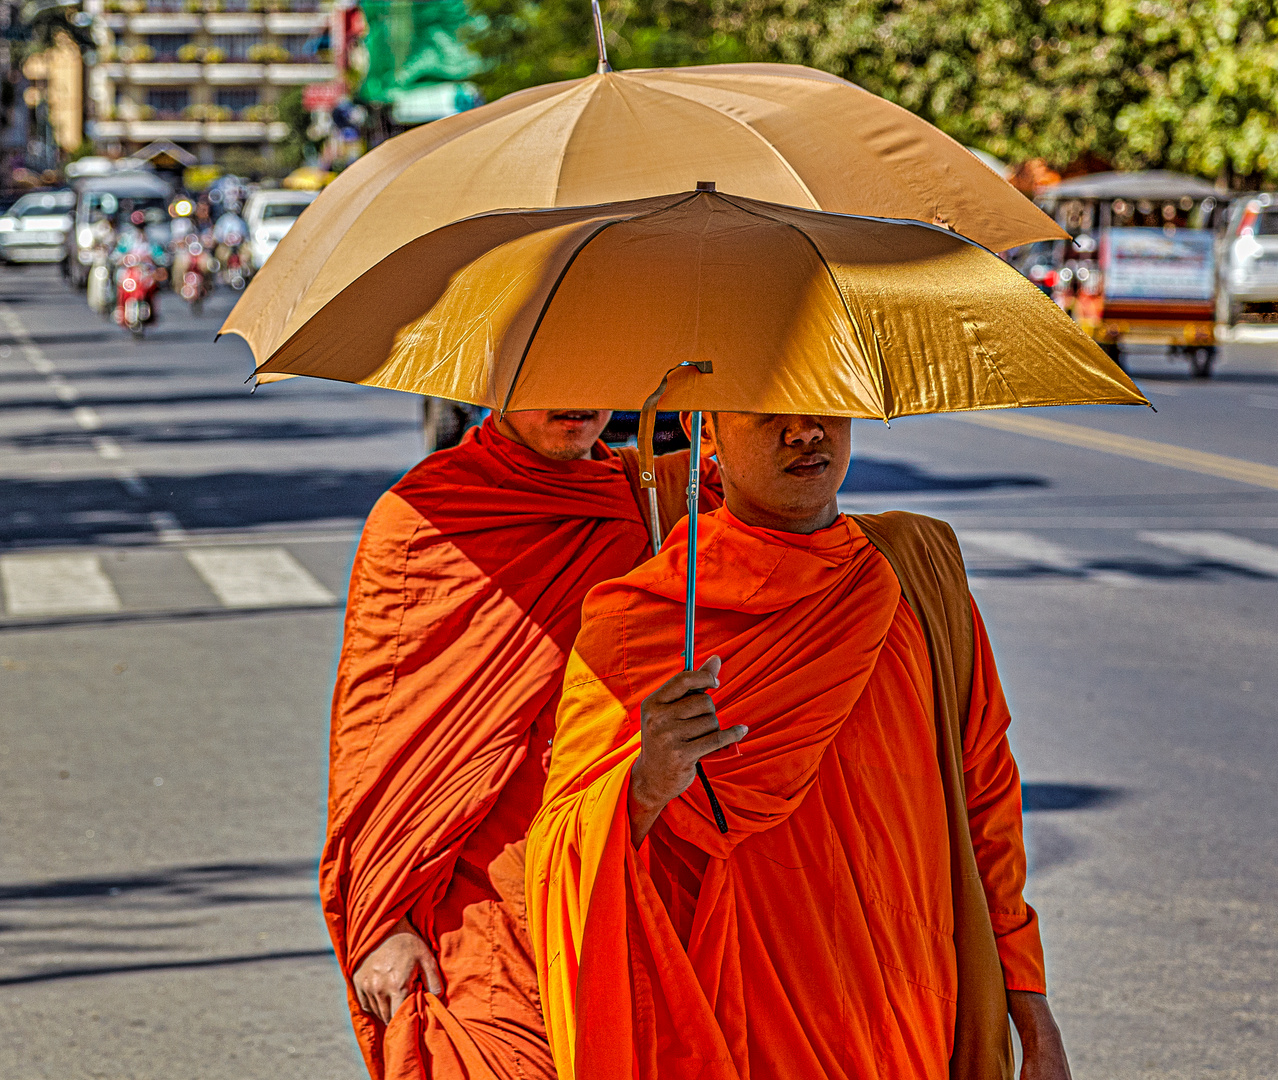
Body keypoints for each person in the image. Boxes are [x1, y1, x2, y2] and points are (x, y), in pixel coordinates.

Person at [526, 412, 1072, 1080]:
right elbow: (559, 855)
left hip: (909, 1009)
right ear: (711, 437)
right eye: (766, 412)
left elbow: (985, 794)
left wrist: (1031, 1007)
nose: (805, 431)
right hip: (748, 1024)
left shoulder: (916, 570)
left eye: (822, 400)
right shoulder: (642, 621)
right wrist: (643, 785)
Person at [322, 408, 721, 1080]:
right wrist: (381, 921)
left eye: (599, 365)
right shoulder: (426, 515)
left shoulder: (655, 499)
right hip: (477, 908)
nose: (578, 395)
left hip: (619, 879)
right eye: (547, 371)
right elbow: (373, 745)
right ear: (496, 370)